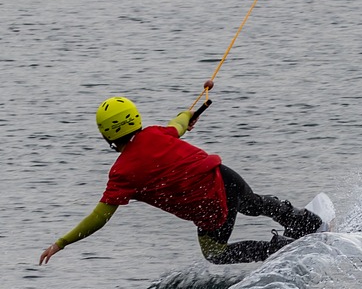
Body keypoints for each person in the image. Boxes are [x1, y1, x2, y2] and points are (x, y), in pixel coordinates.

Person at [38, 95, 322, 266]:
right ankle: (307, 222)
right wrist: (189, 114)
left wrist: (61, 242)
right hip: (223, 177)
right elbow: (179, 124)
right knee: (252, 203)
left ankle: (281, 250)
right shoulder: (153, 133)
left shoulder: (121, 173)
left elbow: (99, 218)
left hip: (211, 209)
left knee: (215, 254)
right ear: (135, 119)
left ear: (106, 135)